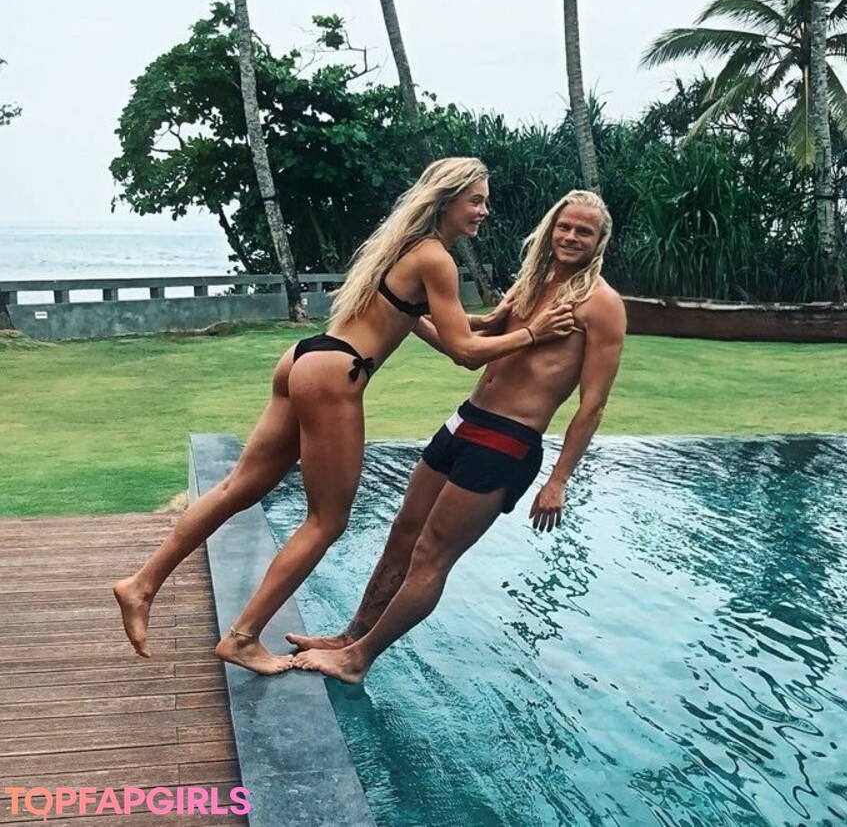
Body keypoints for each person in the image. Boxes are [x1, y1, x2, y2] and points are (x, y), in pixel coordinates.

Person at [113, 158, 575, 675]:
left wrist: (490, 322)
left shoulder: (402, 245)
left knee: (236, 487)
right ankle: (242, 638)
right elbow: (464, 353)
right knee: (326, 521)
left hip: (306, 357)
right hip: (338, 376)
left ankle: (141, 585)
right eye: (476, 200)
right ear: (446, 200)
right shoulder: (436, 257)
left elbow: (420, 320)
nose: (484, 211)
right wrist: (534, 333)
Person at [288, 189, 626, 684]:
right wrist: (405, 310)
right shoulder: (529, 285)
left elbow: (591, 405)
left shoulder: (602, 304)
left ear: (599, 241)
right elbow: (469, 345)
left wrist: (558, 481)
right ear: (552, 228)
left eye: (584, 232)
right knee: (403, 534)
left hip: (508, 439)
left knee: (432, 554)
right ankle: (350, 636)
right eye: (565, 226)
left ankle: (359, 659)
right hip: (465, 421)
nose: (571, 237)